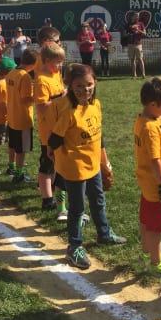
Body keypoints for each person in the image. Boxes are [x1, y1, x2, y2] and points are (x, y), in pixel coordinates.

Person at [49, 63, 126, 270]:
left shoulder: (96, 105)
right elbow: (54, 140)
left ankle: (104, 233)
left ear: (95, 83)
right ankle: (74, 247)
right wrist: (56, 156)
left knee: (98, 200)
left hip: (93, 164)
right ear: (71, 87)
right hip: (74, 167)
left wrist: (104, 160)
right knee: (77, 208)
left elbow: (98, 136)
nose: (85, 90)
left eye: (89, 85)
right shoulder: (69, 112)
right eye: (79, 86)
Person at [133, 77, 161, 276]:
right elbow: (155, 159)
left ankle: (146, 251)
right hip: (155, 184)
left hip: (145, 183)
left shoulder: (142, 120)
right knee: (156, 226)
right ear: (153, 104)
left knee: (146, 219)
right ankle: (156, 261)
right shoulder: (151, 129)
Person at [35, 43, 68, 216]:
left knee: (60, 165)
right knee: (47, 166)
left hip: (60, 126)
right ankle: (47, 200)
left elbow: (60, 92)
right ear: (47, 61)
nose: (60, 66)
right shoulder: (41, 80)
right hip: (48, 130)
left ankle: (60, 200)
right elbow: (41, 107)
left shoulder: (56, 74)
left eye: (61, 62)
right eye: (57, 62)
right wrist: (59, 99)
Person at [5, 48, 38, 183]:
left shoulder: (12, 73)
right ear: (33, 64)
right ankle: (19, 174)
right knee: (21, 149)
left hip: (12, 115)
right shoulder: (24, 77)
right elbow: (25, 99)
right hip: (22, 118)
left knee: (12, 144)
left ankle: (11, 167)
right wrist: (37, 96)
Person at [125, 13, 146, 78]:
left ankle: (143, 74)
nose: (137, 17)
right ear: (133, 16)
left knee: (140, 59)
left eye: (138, 16)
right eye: (136, 16)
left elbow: (145, 34)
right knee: (132, 60)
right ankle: (134, 75)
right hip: (130, 44)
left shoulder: (141, 24)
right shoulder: (128, 24)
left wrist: (138, 30)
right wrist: (129, 34)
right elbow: (124, 34)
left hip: (138, 44)